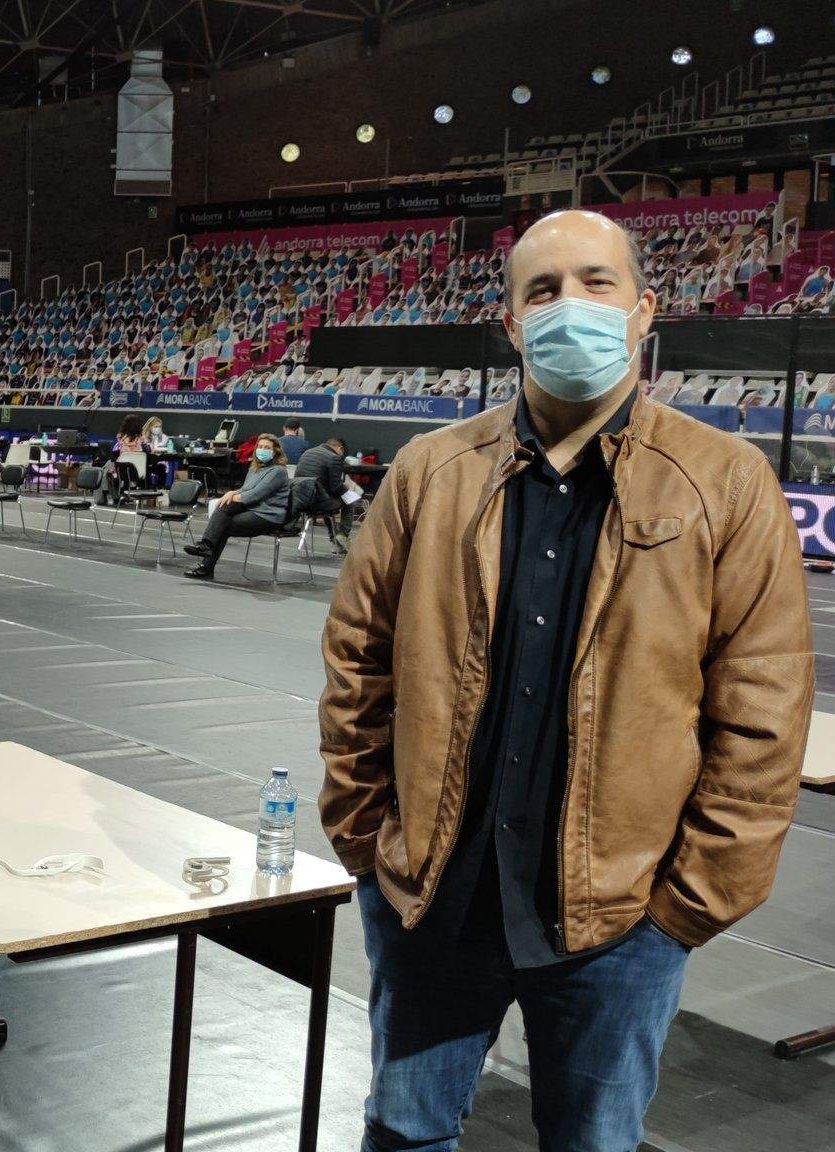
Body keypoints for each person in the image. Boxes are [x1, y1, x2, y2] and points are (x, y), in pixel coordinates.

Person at [319, 210, 808, 1152]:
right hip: (435, 903)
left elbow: (764, 714)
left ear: (643, 309)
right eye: (541, 291)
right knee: (405, 1134)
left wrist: (683, 909)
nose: (568, 306)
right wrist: (369, 846)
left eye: (596, 283)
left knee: (591, 1145)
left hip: (619, 924)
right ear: (511, 322)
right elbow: (358, 665)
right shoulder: (430, 472)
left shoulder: (726, 481)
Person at [182, 432, 291, 580]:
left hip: (268, 515)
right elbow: (246, 489)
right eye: (260, 446)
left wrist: (233, 496)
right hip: (253, 509)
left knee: (223, 525)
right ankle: (205, 546)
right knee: (225, 505)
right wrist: (231, 493)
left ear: (275, 451)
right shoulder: (255, 468)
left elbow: (255, 495)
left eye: (267, 447)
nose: (262, 450)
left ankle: (206, 563)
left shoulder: (278, 471)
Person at [290, 436, 356, 554]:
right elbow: (336, 488)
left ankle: (335, 541)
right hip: (318, 502)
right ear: (340, 448)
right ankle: (343, 535)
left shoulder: (307, 452)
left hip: (301, 501)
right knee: (350, 500)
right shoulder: (334, 458)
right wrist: (349, 490)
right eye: (342, 454)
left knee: (326, 501)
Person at [101, 413, 148, 504]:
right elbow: (147, 452)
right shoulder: (142, 439)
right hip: (139, 472)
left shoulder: (120, 438)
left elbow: (115, 453)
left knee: (108, 469)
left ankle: (114, 496)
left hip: (121, 471)